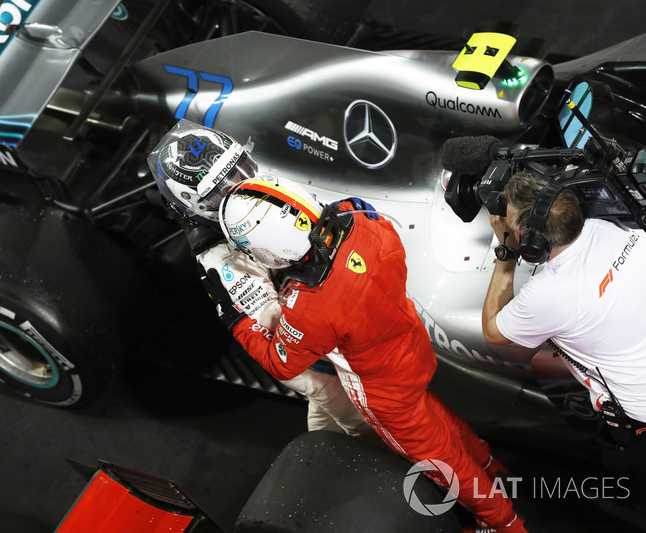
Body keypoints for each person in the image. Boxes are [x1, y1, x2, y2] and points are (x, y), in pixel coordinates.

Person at [205, 176, 525, 532]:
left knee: (439, 461)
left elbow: (282, 363)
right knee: (435, 415)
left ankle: (504, 521)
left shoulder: (307, 309)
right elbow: (364, 218)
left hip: (383, 392)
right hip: (414, 350)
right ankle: (492, 466)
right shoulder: (365, 223)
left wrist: (236, 321)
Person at [147, 119, 375, 439]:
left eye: (240, 170)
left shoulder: (262, 186)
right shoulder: (219, 259)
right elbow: (279, 329)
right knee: (364, 427)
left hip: (332, 335)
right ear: (196, 206)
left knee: (328, 425)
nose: (239, 187)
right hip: (310, 360)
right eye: (221, 190)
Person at [482, 169, 646, 501]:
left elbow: (493, 331)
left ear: (532, 243)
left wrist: (506, 251)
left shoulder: (550, 293)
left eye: (512, 224)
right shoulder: (616, 224)